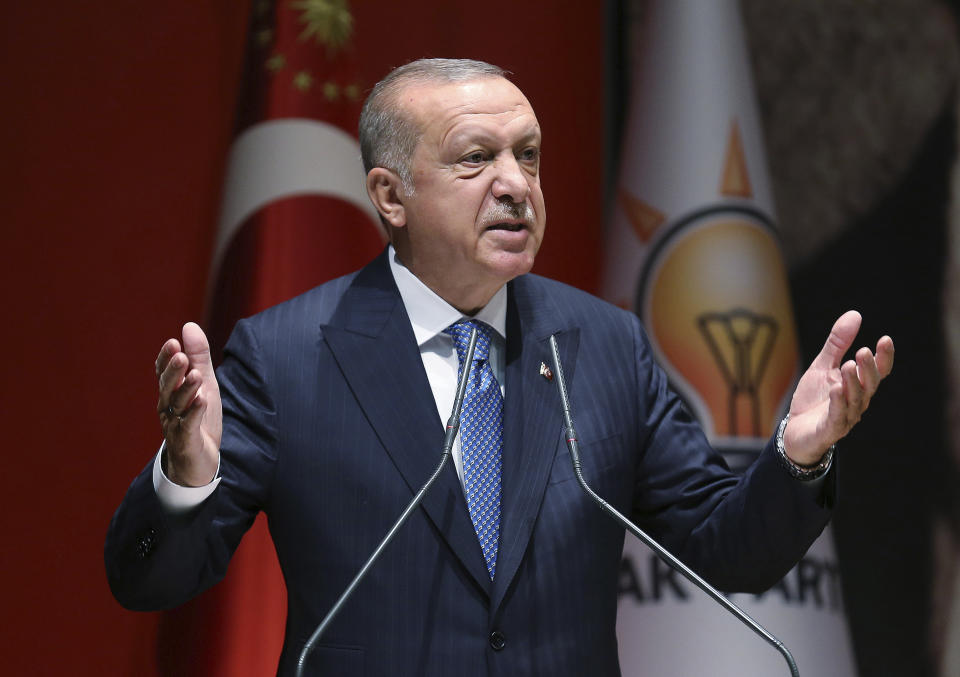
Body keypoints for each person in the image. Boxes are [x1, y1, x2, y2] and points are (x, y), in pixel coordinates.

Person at [105, 58, 894, 676]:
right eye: (476, 158)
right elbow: (151, 582)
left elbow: (731, 549)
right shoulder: (287, 355)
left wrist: (797, 455)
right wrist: (185, 475)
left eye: (530, 155)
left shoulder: (605, 344)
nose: (516, 185)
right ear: (391, 194)